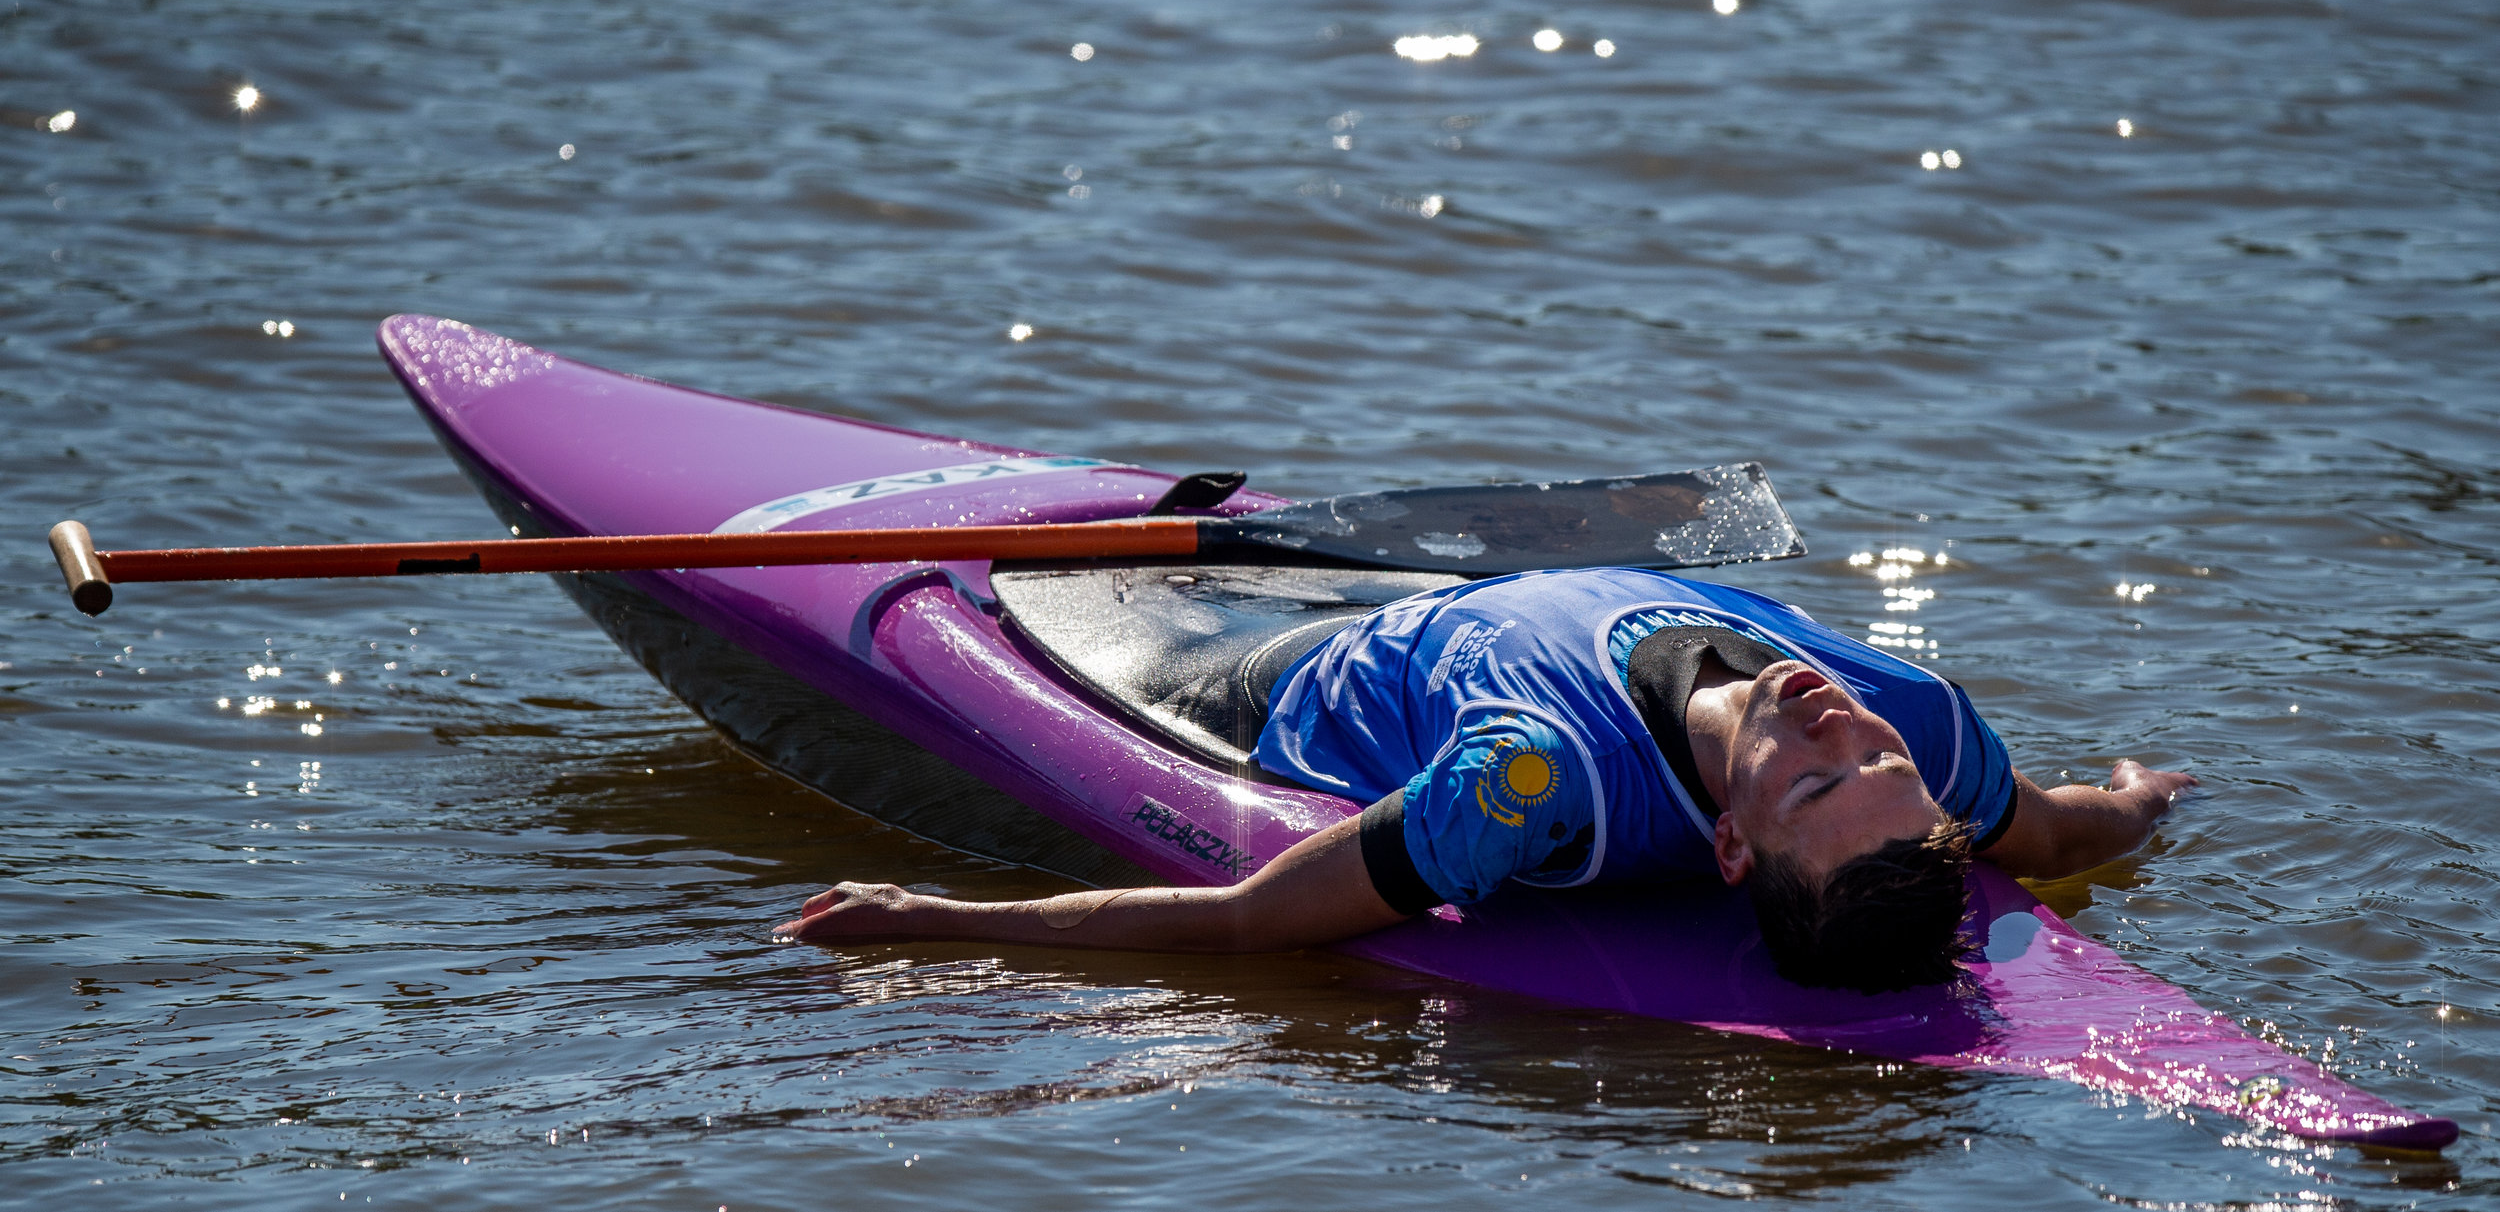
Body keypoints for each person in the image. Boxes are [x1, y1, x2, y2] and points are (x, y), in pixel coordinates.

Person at [778, 567, 2195, 992]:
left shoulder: (1524, 785)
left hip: (1315, 662)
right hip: (1525, 587)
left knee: (1134, 623)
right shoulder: (1928, 730)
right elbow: (2060, 825)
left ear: (1729, 851)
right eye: (1869, 758)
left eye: (1819, 784)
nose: (1839, 724)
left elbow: (1251, 924)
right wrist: (2145, 793)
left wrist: (942, 918)